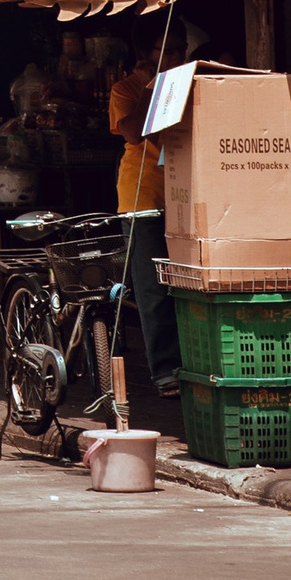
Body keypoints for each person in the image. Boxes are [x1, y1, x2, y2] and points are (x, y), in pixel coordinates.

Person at [111, 36, 182, 402]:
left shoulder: (187, 80)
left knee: (185, 285)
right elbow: (133, 131)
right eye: (165, 50)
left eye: (178, 50)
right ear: (147, 55)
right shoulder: (127, 89)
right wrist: (152, 86)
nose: (173, 57)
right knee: (154, 290)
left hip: (183, 195)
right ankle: (166, 371)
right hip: (144, 197)